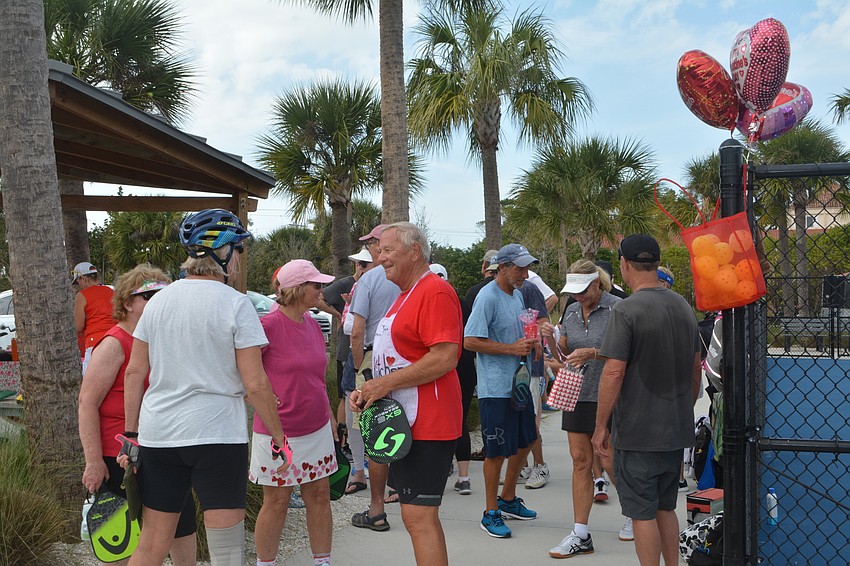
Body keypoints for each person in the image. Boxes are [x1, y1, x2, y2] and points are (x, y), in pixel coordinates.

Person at [123, 209, 288, 566]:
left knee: (151, 544)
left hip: (160, 434)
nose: (241, 258)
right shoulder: (235, 304)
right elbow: (256, 383)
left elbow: (135, 371)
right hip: (216, 433)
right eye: (240, 250)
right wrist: (279, 437)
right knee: (226, 551)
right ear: (224, 251)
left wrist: (130, 432)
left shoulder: (158, 301)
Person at [349, 222, 463, 566]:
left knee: (419, 518)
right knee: (416, 518)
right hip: (405, 423)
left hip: (428, 422)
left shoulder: (435, 291)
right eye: (378, 250)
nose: (379, 257)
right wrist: (371, 390)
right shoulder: (405, 293)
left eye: (387, 250)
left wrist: (384, 384)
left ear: (415, 251)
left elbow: (445, 356)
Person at [592, 234, 702, 566]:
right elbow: (695, 365)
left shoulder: (626, 310)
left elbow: (613, 372)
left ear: (624, 265)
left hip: (639, 432)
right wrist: (684, 405)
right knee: (665, 508)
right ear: (655, 263)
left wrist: (600, 426)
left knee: (642, 513)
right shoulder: (682, 305)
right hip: (675, 427)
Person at [78, 265, 196, 566]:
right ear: (128, 303)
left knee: (181, 523)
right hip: (117, 454)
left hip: (165, 449)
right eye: (147, 295)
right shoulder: (115, 343)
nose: (157, 300)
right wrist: (93, 461)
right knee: (119, 538)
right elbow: (87, 402)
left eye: (161, 294)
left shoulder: (166, 341)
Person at [250, 260, 337, 566]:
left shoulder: (313, 323)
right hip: (278, 432)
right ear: (299, 289)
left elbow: (316, 378)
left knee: (319, 496)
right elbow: (243, 373)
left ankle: (322, 561)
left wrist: (331, 416)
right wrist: (262, 395)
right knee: (277, 502)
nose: (321, 290)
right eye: (316, 285)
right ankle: (266, 563)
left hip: (316, 427)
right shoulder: (267, 326)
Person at [544, 260, 625, 559]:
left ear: (597, 284)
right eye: (573, 291)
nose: (577, 296)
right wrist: (552, 339)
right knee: (580, 461)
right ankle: (580, 533)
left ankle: (633, 514)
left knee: (609, 456)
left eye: (582, 290)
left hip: (610, 395)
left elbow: (629, 352)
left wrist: (593, 353)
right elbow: (564, 355)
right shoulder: (572, 309)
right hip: (577, 392)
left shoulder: (619, 307)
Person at [464, 243, 541, 539]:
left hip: (518, 383)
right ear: (503, 267)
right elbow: (469, 340)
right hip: (495, 387)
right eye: (519, 268)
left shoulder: (518, 295)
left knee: (526, 440)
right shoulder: (487, 296)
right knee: (495, 451)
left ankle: (508, 498)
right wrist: (510, 349)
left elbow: (519, 333)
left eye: (526, 267)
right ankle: (490, 512)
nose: (525, 273)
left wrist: (531, 343)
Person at [349, 224, 401, 529]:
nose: (370, 249)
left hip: (373, 356)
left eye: (372, 243)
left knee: (375, 433)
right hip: (406, 359)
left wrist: (359, 368)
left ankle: (377, 509)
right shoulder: (415, 279)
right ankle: (403, 489)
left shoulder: (368, 279)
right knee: (403, 423)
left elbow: (357, 330)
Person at [330, 247, 373, 494]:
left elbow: (351, 327)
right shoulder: (398, 284)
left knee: (356, 416)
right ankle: (376, 473)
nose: (359, 268)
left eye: (361, 264)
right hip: (385, 355)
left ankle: (359, 472)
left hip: (361, 356)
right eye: (358, 264)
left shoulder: (361, 287)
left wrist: (357, 366)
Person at [73, 261, 115, 373]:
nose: (79, 285)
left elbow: (78, 326)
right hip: (116, 338)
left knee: (89, 382)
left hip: (95, 342)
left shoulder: (82, 296)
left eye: (78, 281)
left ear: (83, 278)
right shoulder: (111, 291)